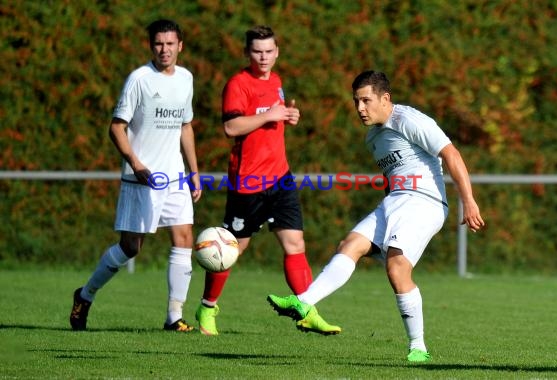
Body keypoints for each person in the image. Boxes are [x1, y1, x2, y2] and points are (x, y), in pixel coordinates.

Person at [267, 70, 485, 362]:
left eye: (365, 100)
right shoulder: (373, 137)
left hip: (425, 202)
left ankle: (418, 346)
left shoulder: (410, 120)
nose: (360, 108)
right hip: (395, 201)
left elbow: (452, 155)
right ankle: (304, 303)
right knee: (350, 244)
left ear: (385, 98)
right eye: (356, 101)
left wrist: (468, 202)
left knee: (397, 268)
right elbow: (390, 177)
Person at [194, 25, 338, 336]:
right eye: (257, 51)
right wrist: (270, 116)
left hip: (281, 177)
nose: (264, 56)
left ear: (277, 52)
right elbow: (232, 128)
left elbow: (272, 118)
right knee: (230, 249)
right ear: (247, 53)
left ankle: (307, 310)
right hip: (247, 183)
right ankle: (206, 307)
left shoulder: (276, 81)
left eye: (269, 51)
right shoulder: (237, 84)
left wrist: (287, 116)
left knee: (295, 243)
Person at [69, 19, 202, 332]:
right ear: (150, 46)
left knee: (184, 238)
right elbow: (117, 127)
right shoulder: (139, 79)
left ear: (180, 46)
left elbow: (185, 126)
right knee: (131, 247)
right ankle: (85, 295)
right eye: (158, 43)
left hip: (174, 177)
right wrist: (136, 164)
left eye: (170, 44)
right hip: (141, 177)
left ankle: (174, 317)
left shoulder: (185, 78)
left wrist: (194, 171)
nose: (164, 49)